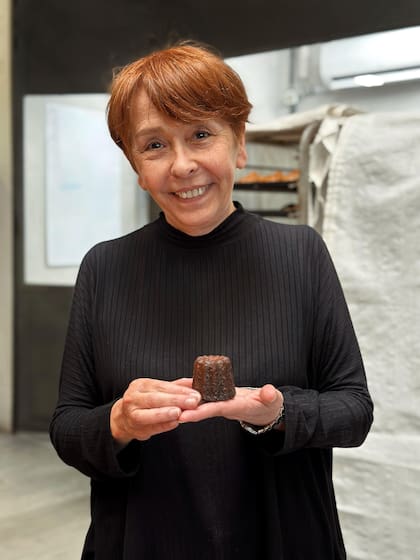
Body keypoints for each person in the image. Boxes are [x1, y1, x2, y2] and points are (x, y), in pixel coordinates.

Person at [50, 41, 373, 560]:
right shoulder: (104, 268)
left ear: (239, 144)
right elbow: (67, 428)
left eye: (201, 135)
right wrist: (119, 422)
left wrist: (277, 412)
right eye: (154, 145)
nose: (182, 165)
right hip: (141, 539)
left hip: (283, 538)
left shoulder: (300, 254)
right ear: (136, 165)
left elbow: (354, 410)